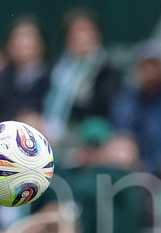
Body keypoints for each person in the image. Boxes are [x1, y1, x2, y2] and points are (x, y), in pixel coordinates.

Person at [111, 42, 161, 179]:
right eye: (146, 66)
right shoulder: (126, 100)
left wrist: (156, 165)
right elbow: (122, 134)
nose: (150, 72)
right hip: (132, 167)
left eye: (155, 66)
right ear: (137, 69)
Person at [43, 8, 121, 144]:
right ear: (67, 37)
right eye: (79, 30)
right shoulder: (55, 71)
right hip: (52, 135)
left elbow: (108, 111)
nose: (85, 36)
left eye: (90, 31)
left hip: (91, 138)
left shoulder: (108, 73)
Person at [0, 16, 51, 130]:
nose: (24, 42)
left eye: (29, 36)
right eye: (18, 37)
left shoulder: (54, 77)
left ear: (41, 43)